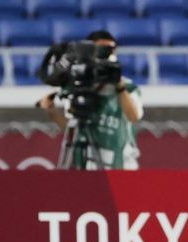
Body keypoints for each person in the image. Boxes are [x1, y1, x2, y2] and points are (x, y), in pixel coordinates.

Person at [37, 30, 143, 170]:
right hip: (85, 162)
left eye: (110, 50)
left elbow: (134, 116)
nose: (106, 55)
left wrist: (119, 87)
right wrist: (52, 111)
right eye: (100, 50)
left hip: (120, 163)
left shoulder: (128, 87)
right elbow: (71, 126)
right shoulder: (77, 87)